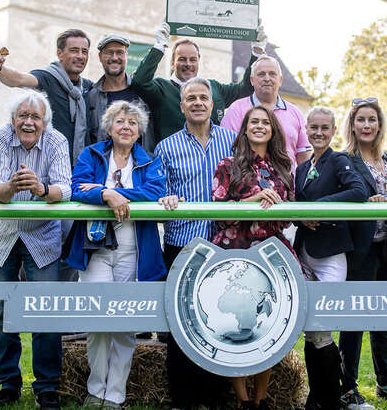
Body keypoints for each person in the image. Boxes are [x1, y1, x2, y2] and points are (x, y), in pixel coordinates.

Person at [65, 101, 166, 409]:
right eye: (120, 121)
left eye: (132, 123)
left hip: (133, 251)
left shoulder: (149, 161)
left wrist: (112, 193)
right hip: (95, 249)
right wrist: (105, 193)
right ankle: (96, 390)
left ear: (139, 132)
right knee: (97, 320)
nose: (126, 127)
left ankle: (115, 394)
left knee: (124, 322)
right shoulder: (92, 154)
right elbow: (76, 189)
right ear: (109, 127)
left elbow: (154, 192)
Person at [0, 89, 71, 410]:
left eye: (35, 117)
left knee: (46, 312)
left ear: (45, 123)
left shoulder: (57, 141)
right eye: (23, 116)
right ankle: (9, 384)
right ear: (12, 119)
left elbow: (66, 187)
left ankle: (47, 387)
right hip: (1, 235)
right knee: (0, 313)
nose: (29, 122)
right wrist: (11, 187)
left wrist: (41, 189)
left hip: (41, 235)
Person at [155, 76, 236, 408]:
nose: (198, 102)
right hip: (182, 242)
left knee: (220, 318)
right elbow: (156, 192)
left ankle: (216, 394)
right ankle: (183, 397)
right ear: (182, 105)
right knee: (182, 320)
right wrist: (165, 197)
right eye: (192, 98)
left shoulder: (232, 141)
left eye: (204, 97)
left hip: (223, 242)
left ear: (213, 104)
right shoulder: (166, 147)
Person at [210, 105, 294, 409]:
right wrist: (253, 199)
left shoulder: (282, 167)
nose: (259, 126)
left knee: (267, 327)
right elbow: (218, 212)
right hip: (235, 253)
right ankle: (243, 400)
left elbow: (288, 218)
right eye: (253, 121)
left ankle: (260, 400)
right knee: (237, 328)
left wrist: (279, 207)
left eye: (265, 122)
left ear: (273, 129)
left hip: (272, 253)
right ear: (245, 128)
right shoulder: (228, 164)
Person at [338, 98, 387, 409]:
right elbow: (345, 195)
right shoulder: (345, 160)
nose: (367, 125)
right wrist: (364, 200)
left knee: (384, 315)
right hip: (361, 248)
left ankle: (386, 382)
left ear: (379, 124)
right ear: (352, 125)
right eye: (361, 120)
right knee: (355, 317)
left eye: (372, 120)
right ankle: (347, 388)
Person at [293, 107, 368, 410]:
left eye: (325, 128)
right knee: (311, 330)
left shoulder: (340, 161)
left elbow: (358, 191)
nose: (319, 133)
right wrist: (303, 218)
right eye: (314, 128)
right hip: (304, 253)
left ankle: (330, 397)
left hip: (331, 254)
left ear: (334, 131)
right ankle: (318, 397)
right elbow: (296, 208)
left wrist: (319, 208)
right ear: (306, 130)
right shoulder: (300, 168)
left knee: (322, 325)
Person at [130, 23, 264, 142]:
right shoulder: (162, 88)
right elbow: (139, 82)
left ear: (198, 61)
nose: (188, 64)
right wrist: (159, 47)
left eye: (192, 59)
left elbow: (246, 89)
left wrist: (256, 52)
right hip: (175, 162)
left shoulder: (214, 87)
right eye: (182, 59)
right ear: (172, 63)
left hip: (212, 163)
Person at [0, 29, 92, 164]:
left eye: (84, 51)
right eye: (74, 50)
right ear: (60, 53)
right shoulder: (46, 77)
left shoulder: (88, 88)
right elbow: (18, 79)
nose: (80, 56)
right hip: (49, 168)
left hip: (81, 172)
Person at [220, 55, 311, 168]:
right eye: (261, 74)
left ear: (280, 80)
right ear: (252, 80)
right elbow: (225, 151)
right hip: (246, 183)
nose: (267, 78)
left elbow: (304, 158)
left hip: (287, 183)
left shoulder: (295, 113)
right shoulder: (236, 110)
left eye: (272, 74)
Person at [85, 34, 156, 152]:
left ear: (126, 56)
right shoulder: (91, 97)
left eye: (119, 52)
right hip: (103, 168)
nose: (114, 57)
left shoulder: (142, 92)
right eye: (109, 52)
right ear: (100, 56)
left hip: (139, 167)